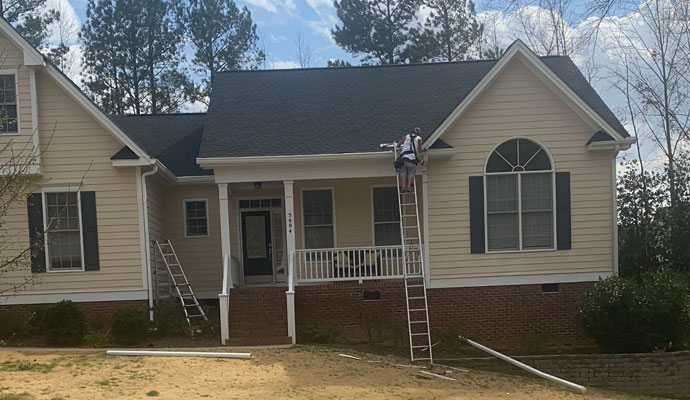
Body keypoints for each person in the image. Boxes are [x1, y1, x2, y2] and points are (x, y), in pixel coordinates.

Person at [396, 127, 426, 192]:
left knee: (403, 172)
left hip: (403, 159)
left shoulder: (406, 137)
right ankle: (409, 187)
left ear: (412, 132)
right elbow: (420, 150)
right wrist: (425, 150)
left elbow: (398, 145)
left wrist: (403, 148)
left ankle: (403, 186)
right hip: (412, 159)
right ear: (417, 133)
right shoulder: (419, 139)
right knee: (411, 173)